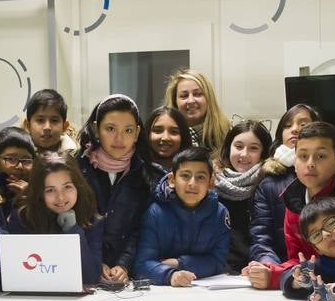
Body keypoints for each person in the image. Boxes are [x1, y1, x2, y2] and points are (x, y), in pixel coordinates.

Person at [247, 121, 335, 290]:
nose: (310, 163)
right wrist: (271, 271)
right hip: (317, 291)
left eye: (320, 156)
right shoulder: (292, 200)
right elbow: (300, 260)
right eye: (303, 156)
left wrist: (277, 275)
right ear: (294, 161)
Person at [75, 94, 161, 283]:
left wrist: (124, 264)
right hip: (81, 272)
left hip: (127, 276)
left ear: (137, 133)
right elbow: (71, 223)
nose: (119, 138)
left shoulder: (148, 174)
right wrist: (94, 262)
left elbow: (143, 229)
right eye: (110, 129)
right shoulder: (75, 169)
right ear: (96, 130)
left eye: (128, 130)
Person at [134, 147, 230, 287]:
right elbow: (142, 264)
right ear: (172, 179)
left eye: (201, 177)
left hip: (205, 291)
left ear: (210, 183)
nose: (192, 183)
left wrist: (181, 263)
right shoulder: (155, 212)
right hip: (164, 292)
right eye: (185, 176)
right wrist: (170, 274)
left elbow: (218, 261)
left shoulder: (220, 214)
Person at [6, 155, 104, 285]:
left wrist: (73, 230)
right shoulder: (23, 217)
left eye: (67, 187)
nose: (61, 197)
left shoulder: (91, 219)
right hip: (33, 296)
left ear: (78, 187)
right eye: (50, 190)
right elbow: (16, 275)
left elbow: (91, 278)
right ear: (40, 193)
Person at [213, 120, 272, 273]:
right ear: (228, 148)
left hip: (258, 270)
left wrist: (263, 266)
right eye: (238, 146)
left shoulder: (268, 185)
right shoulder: (210, 182)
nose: (244, 154)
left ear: (263, 153)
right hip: (217, 272)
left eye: (253, 148)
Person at [164, 69, 230, 151]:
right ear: (175, 102)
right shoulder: (166, 138)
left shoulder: (229, 135)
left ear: (209, 98)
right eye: (184, 96)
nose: (191, 101)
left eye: (197, 94)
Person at [0, 127, 36, 216]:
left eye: (26, 160)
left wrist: (30, 199)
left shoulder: (38, 186)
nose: (19, 166)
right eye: (11, 159)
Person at [23, 89, 76, 156]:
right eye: (40, 120)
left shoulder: (77, 158)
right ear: (28, 125)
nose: (47, 127)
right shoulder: (17, 157)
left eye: (54, 120)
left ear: (64, 126)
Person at [145, 105, 191, 170]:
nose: (165, 138)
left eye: (174, 132)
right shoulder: (133, 170)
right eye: (158, 131)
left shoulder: (195, 171)